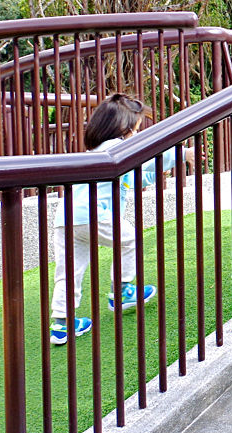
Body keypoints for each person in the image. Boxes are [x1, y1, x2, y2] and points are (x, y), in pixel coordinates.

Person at [49, 93, 174, 345]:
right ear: (123, 130)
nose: (137, 136)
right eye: (136, 130)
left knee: (69, 272)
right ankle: (122, 290)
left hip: (66, 219)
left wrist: (157, 174)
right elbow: (149, 157)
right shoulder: (117, 148)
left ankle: (61, 324)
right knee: (129, 240)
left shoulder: (96, 152)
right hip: (94, 215)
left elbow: (131, 180)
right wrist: (180, 156)